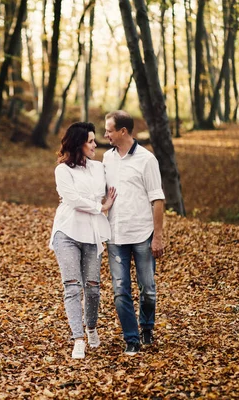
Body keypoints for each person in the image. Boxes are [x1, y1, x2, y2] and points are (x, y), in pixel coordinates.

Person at [49, 122, 117, 359]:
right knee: (72, 287)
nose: (95, 144)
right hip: (67, 232)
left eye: (94, 140)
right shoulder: (63, 170)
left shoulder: (100, 167)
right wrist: (101, 206)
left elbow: (117, 183)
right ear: (78, 144)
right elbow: (72, 199)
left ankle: (91, 328)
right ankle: (78, 338)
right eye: (90, 141)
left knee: (93, 288)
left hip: (93, 234)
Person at [102, 110, 165, 356]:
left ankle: (146, 327)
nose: (105, 134)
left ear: (123, 131)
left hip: (142, 234)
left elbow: (157, 199)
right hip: (116, 236)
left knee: (148, 289)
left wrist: (157, 236)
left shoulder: (147, 160)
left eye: (109, 130)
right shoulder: (106, 159)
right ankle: (131, 338)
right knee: (120, 290)